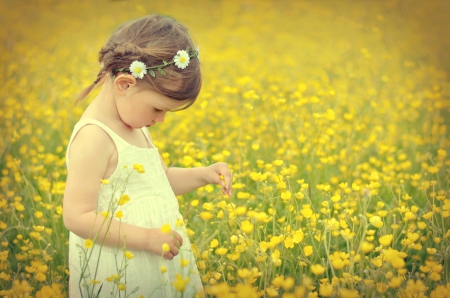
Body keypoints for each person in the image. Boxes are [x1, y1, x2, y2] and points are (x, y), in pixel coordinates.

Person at [63, 14, 232, 298]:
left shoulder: (133, 123)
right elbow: (76, 216)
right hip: (120, 268)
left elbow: (158, 181)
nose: (161, 119)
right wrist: (146, 239)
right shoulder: (95, 138)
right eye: (158, 109)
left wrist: (204, 174)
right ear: (126, 85)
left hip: (155, 256)